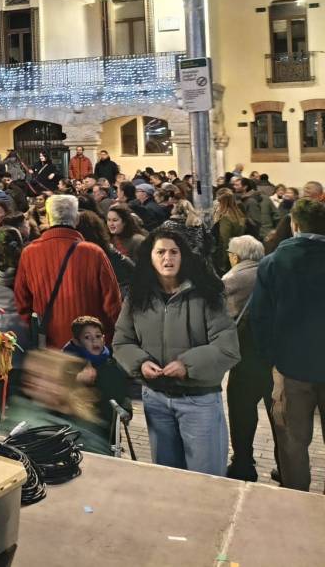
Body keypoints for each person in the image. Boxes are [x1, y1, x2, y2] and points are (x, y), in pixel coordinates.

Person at [113, 231, 239, 476]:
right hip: (156, 400)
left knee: (206, 480)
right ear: (150, 257)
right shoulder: (138, 297)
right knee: (168, 479)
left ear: (184, 257)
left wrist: (187, 364)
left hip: (199, 401)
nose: (167, 258)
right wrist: (140, 363)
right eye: (160, 252)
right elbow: (121, 341)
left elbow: (228, 348)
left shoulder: (206, 295)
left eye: (173, 252)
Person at [249, 197, 325, 492]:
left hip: (292, 367)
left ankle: (296, 499)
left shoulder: (273, 262)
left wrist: (271, 360)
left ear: (294, 225)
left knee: (293, 441)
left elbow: (260, 317)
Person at [15, 195, 122, 350]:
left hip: (50, 348)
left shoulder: (29, 253)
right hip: (91, 347)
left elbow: (22, 304)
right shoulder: (94, 253)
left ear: (48, 219)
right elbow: (112, 304)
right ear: (77, 219)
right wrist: (111, 341)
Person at [220, 235, 277, 481]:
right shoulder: (275, 274)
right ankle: (285, 463)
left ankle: (243, 462)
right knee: (278, 412)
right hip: (275, 353)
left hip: (246, 354)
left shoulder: (232, 279)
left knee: (242, 409)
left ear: (235, 256)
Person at [62, 315, 131, 432]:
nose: (94, 340)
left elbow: (123, 390)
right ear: (77, 342)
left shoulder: (113, 361)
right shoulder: (69, 362)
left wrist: (126, 409)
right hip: (79, 426)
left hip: (108, 425)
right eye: (87, 337)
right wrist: (76, 380)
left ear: (103, 338)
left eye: (98, 336)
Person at [211, 189, 250, 276]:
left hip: (227, 257)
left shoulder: (225, 217)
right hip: (238, 252)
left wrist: (222, 263)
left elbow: (224, 240)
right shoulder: (238, 213)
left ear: (222, 202)